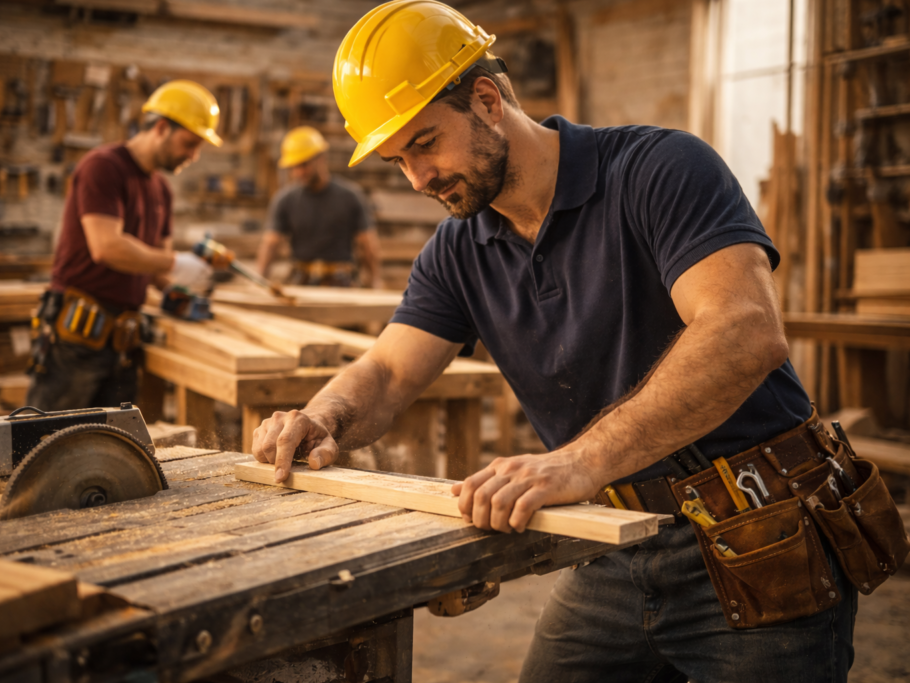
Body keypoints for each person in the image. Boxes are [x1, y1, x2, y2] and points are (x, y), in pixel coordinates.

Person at [251, 2, 861, 682]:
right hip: (613, 542)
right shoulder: (460, 249)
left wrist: (579, 461)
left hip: (757, 530)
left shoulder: (658, 169)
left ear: (486, 100)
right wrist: (322, 417)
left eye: (423, 144)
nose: (417, 180)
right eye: (397, 161)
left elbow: (745, 330)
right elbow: (391, 369)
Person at [26, 80, 220, 411]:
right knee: (46, 441)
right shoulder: (104, 167)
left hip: (125, 342)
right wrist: (175, 264)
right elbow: (107, 247)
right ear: (161, 128)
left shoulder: (162, 191)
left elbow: (157, 270)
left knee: (114, 450)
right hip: (78, 340)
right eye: (189, 143)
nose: (193, 155)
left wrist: (186, 287)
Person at [255, 126, 383, 288]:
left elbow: (367, 244)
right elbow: (271, 243)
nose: (298, 172)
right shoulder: (285, 200)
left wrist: (374, 282)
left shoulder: (350, 197)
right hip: (302, 281)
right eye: (294, 167)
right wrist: (259, 279)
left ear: (321, 158)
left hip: (340, 283)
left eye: (303, 164)